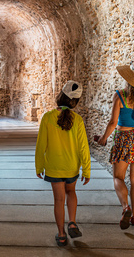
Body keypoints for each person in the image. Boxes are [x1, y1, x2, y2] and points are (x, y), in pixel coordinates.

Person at [96, 59, 134, 230]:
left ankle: (125, 208)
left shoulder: (120, 95)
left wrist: (103, 138)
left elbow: (113, 122)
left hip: (124, 137)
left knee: (118, 177)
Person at [35, 80, 91, 246]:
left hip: (54, 167)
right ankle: (72, 222)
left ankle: (61, 234)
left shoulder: (47, 117)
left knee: (59, 199)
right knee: (71, 193)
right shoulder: (78, 120)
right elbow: (83, 148)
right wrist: (86, 170)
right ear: (75, 102)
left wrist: (39, 166)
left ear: (60, 96)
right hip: (72, 166)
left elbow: (41, 145)